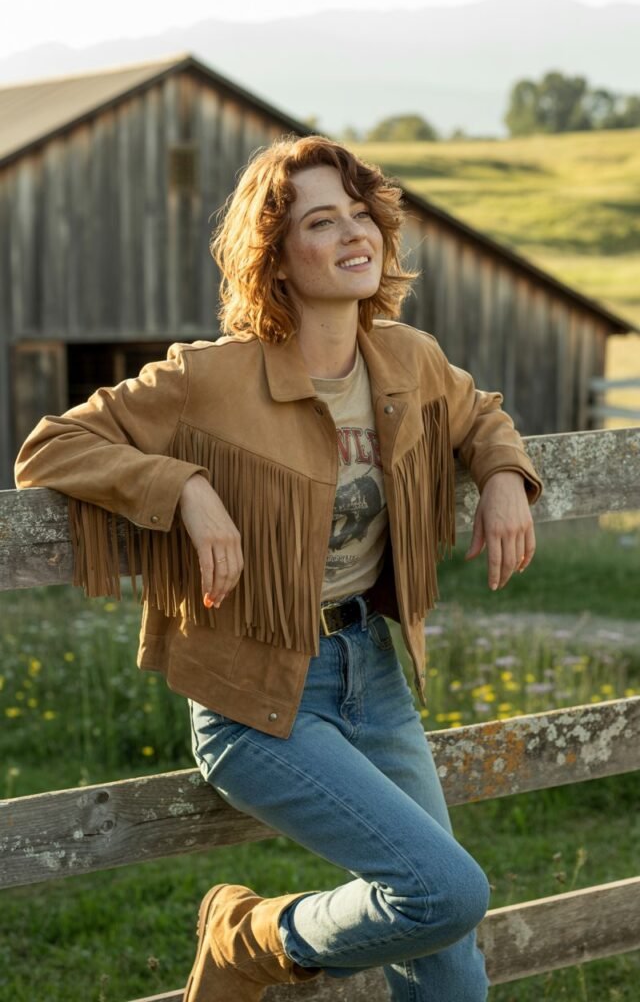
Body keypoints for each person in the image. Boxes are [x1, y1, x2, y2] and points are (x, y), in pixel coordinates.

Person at [15, 133, 543, 1002]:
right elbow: (52, 446)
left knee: (450, 952)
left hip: (374, 673)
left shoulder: (407, 358)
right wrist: (179, 484)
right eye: (322, 222)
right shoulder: (209, 376)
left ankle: (256, 939)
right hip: (256, 698)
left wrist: (502, 474)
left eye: (360, 214)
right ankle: (252, 938)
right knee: (447, 892)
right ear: (278, 258)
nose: (354, 234)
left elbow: (479, 412)